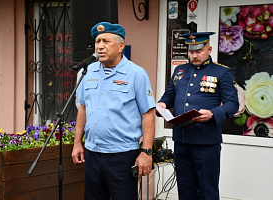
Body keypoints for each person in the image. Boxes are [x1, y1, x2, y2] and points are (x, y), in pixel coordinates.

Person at [71, 22, 156, 200]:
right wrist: (77, 142)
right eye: (97, 41)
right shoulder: (87, 72)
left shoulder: (136, 74)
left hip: (122, 155)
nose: (100, 46)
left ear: (121, 46)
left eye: (106, 41)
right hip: (93, 153)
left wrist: (146, 152)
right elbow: (83, 108)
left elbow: (148, 114)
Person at [157, 32, 239, 200]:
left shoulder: (221, 72)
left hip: (206, 142)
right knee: (185, 189)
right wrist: (163, 104)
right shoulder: (180, 70)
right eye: (191, 51)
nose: (194, 55)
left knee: (206, 190)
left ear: (209, 49)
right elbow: (169, 95)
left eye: (198, 51)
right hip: (181, 140)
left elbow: (233, 104)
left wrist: (214, 114)